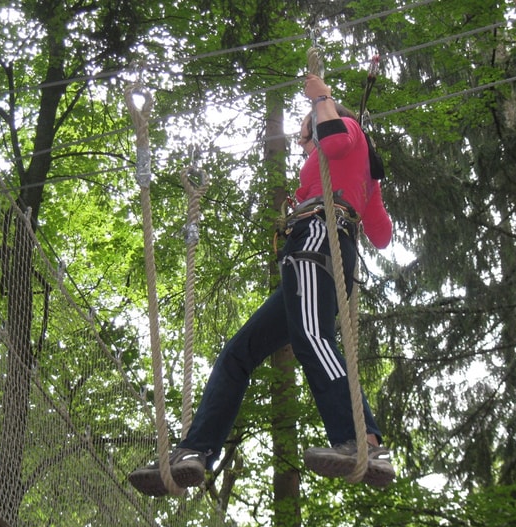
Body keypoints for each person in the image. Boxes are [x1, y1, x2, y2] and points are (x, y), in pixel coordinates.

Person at [129, 74, 394, 495]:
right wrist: (360, 190)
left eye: (304, 136)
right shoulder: (361, 174)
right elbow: (382, 234)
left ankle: (362, 440)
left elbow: (337, 142)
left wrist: (321, 96)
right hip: (322, 250)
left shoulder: (346, 135)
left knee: (312, 339)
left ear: (321, 122)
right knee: (237, 355)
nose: (302, 145)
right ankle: (196, 450)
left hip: (316, 240)